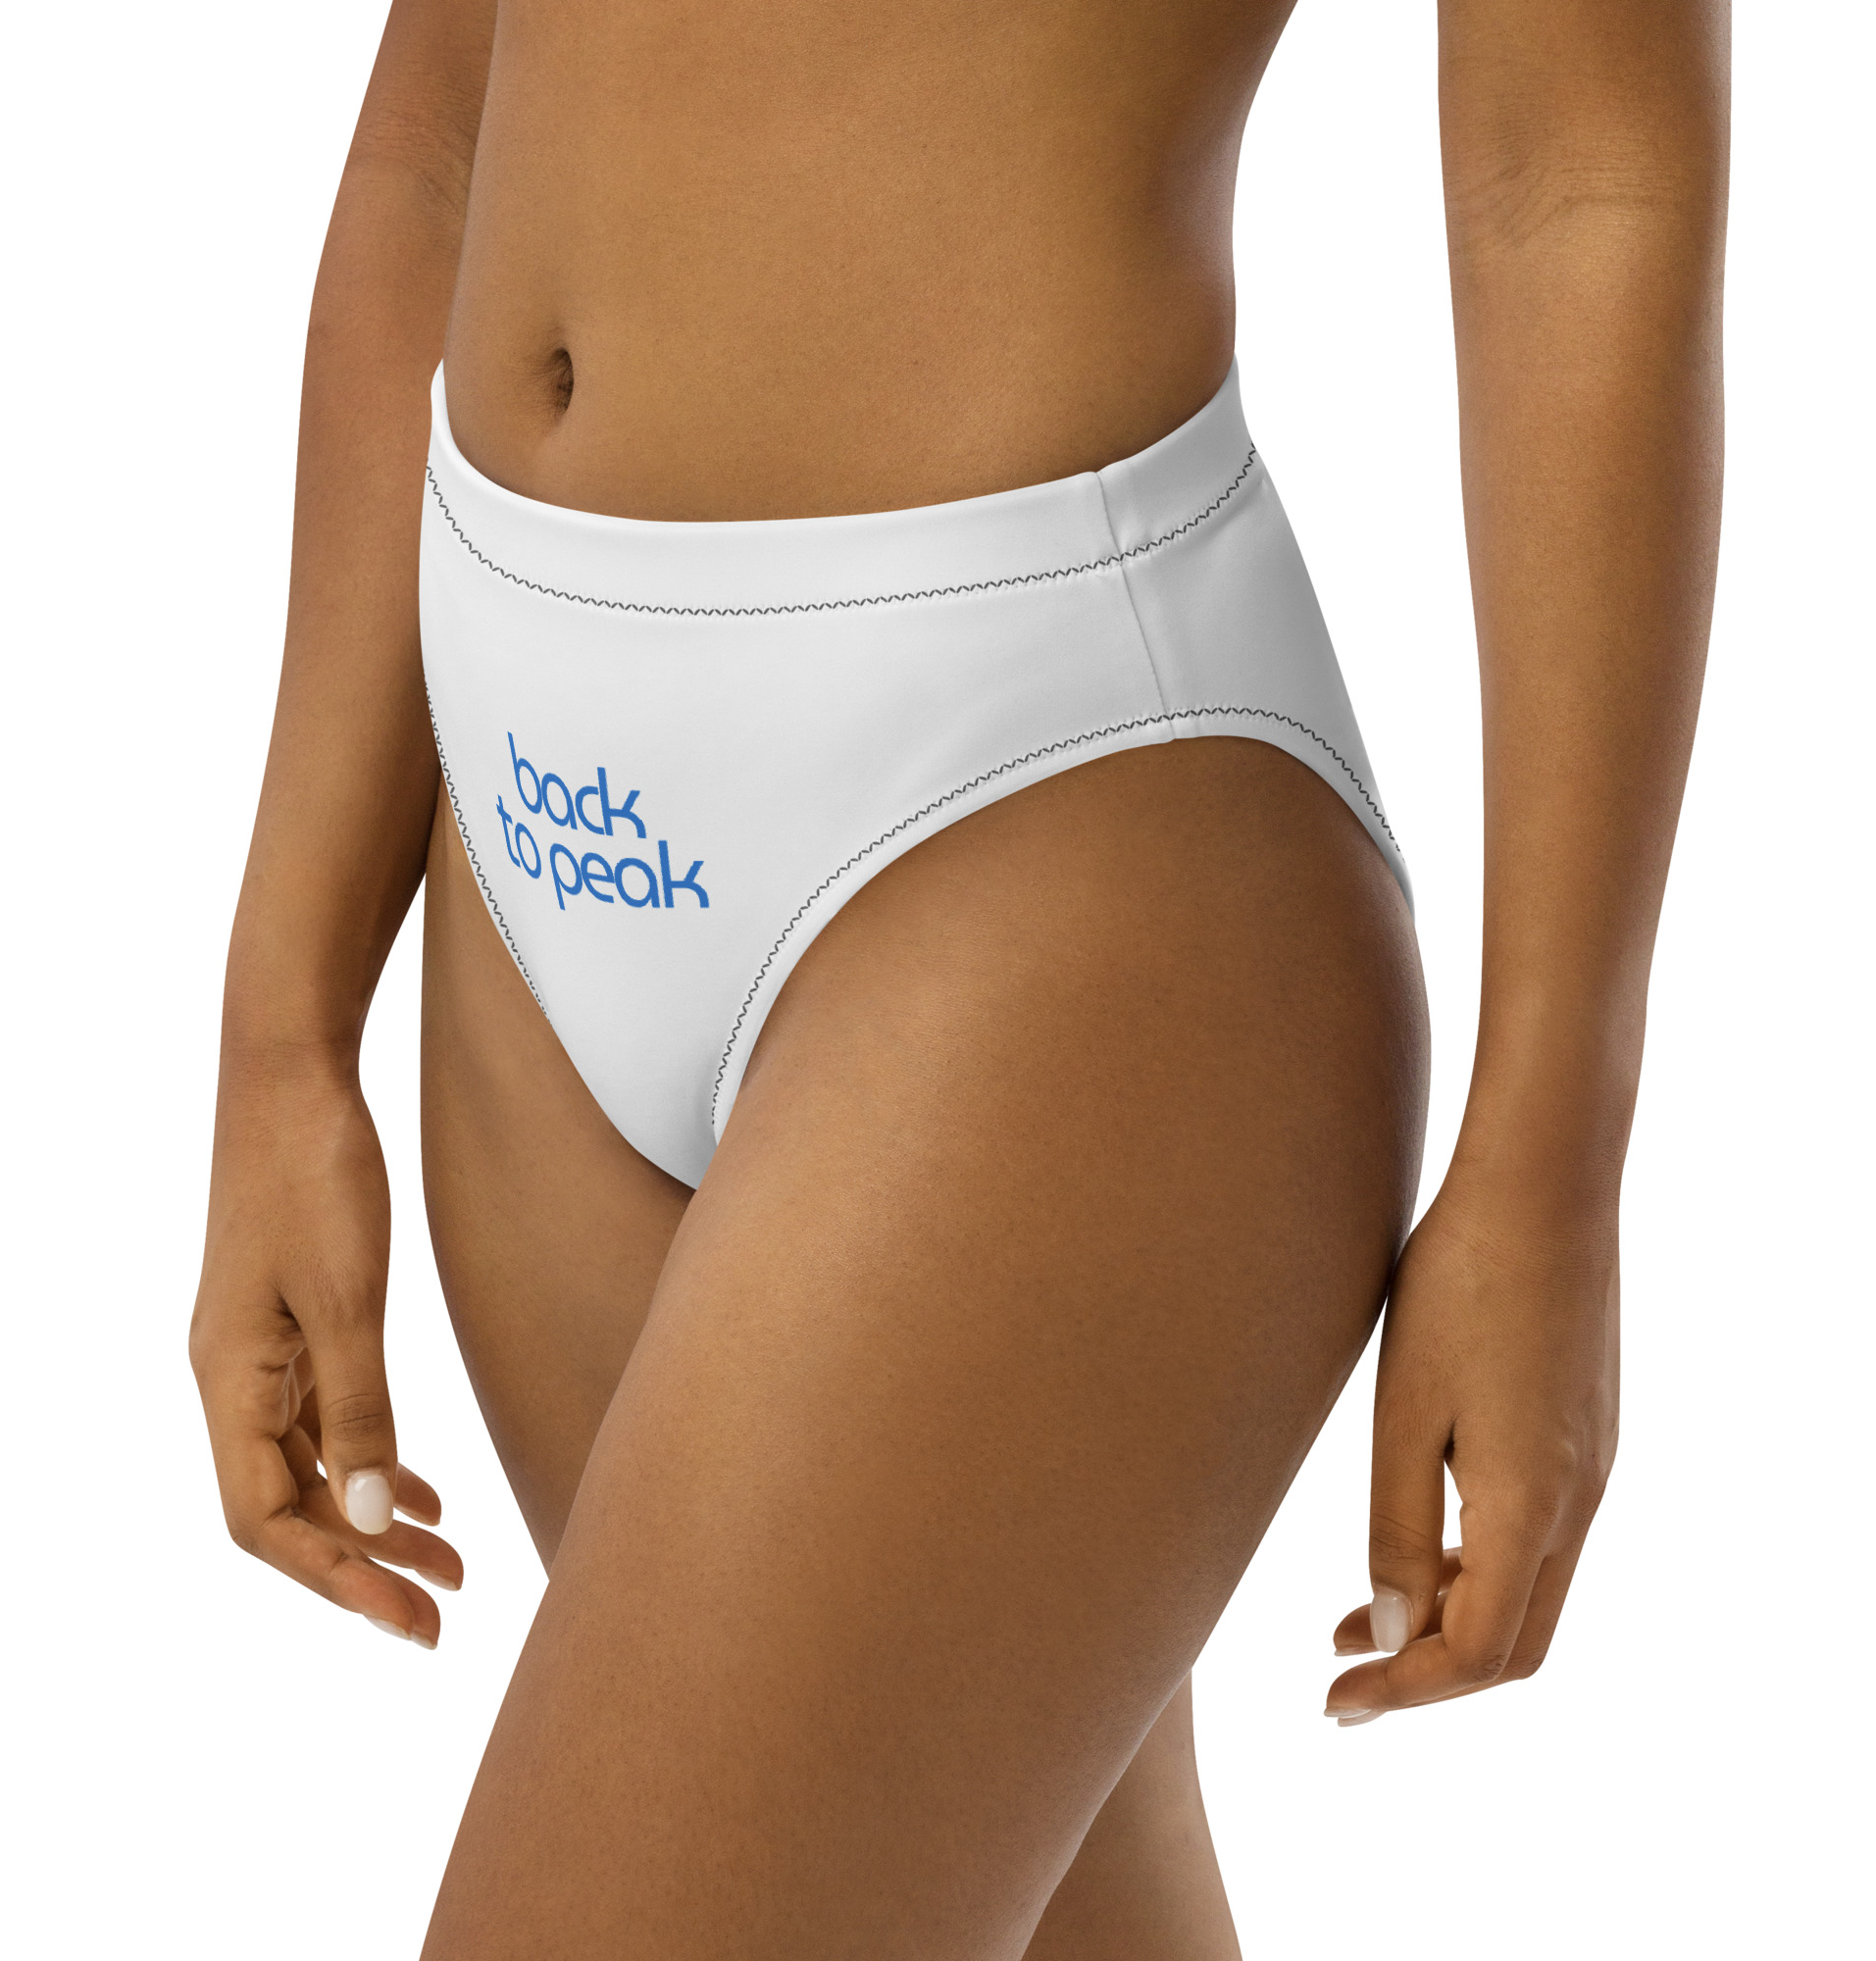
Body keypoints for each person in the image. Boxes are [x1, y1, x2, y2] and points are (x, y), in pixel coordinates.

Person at [188, 0, 1728, 1952]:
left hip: (1039, 809)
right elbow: (437, 134)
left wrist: (1550, 1160)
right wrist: (282, 1024)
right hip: (524, 826)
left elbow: (1572, 179)